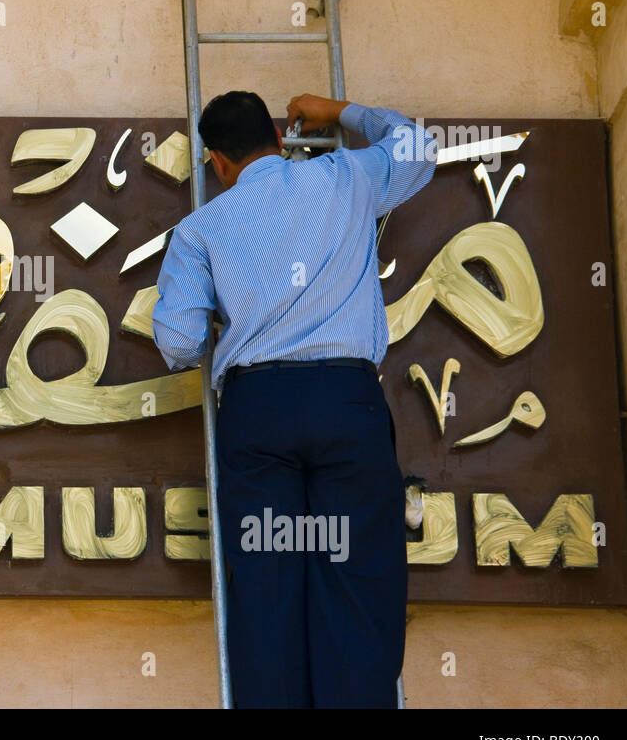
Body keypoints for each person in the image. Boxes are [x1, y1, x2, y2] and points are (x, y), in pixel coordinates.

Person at [151, 91, 436, 708]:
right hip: (346, 404)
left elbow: (177, 341)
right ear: (279, 140)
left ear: (217, 163)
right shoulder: (346, 178)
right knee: (357, 587)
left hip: (259, 419)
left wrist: (225, 324)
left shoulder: (202, 229)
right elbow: (419, 146)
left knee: (267, 592)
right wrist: (341, 112)